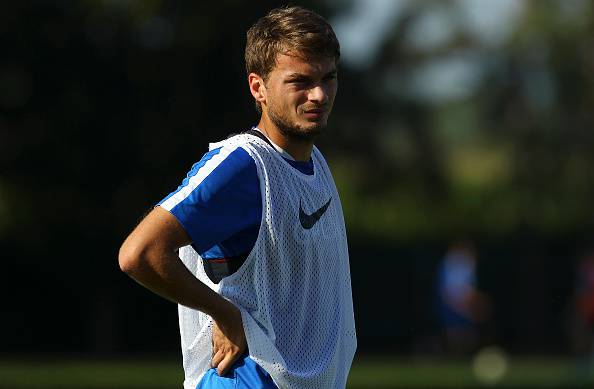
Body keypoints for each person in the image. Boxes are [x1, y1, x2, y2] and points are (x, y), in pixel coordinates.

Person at [118, 6, 357, 389]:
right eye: (300, 81)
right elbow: (140, 253)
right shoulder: (242, 165)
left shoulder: (316, 162)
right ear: (257, 87)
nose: (319, 94)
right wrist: (225, 315)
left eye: (328, 78)